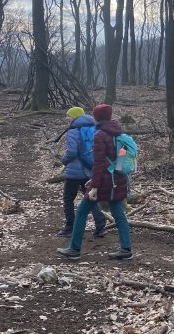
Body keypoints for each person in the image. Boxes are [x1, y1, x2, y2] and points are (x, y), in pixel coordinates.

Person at [57, 104, 133, 261]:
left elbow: (99, 164)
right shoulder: (118, 132)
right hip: (118, 179)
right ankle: (126, 249)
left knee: (81, 211)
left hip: (104, 182)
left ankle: (74, 249)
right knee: (119, 214)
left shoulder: (100, 135)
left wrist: (94, 186)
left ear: (97, 117)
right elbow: (116, 159)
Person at [56, 107, 107, 238]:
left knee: (68, 199)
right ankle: (101, 226)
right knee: (91, 197)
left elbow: (72, 152)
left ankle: (70, 228)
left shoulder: (73, 131)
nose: (66, 118)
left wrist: (64, 160)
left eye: (68, 116)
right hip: (89, 169)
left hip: (74, 172)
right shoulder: (95, 129)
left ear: (74, 117)